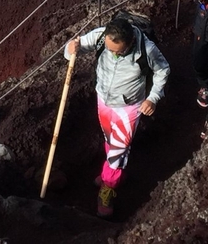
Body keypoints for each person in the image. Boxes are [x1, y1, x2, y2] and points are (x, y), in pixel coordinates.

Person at [65, 16, 170, 218]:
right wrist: (71, 49)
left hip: (129, 106)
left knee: (120, 148)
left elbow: (163, 70)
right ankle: (110, 172)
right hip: (104, 98)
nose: (112, 54)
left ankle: (108, 187)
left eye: (117, 51)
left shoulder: (146, 50)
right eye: (109, 49)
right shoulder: (102, 36)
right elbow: (75, 48)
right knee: (109, 140)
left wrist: (153, 98)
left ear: (129, 43)